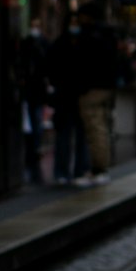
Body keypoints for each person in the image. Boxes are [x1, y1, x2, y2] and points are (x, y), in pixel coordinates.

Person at [74, 1, 118, 185]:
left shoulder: (89, 35)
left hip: (92, 87)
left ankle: (99, 169)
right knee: (101, 126)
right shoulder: (108, 34)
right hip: (106, 86)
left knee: (95, 128)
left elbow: (83, 62)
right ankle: (99, 168)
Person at [45, 13, 89, 185]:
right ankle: (63, 171)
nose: (74, 26)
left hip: (78, 96)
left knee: (80, 136)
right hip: (65, 97)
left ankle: (78, 170)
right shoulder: (60, 44)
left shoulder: (84, 44)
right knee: (64, 136)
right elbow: (51, 69)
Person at [17, 17, 49, 183]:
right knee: (29, 120)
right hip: (29, 90)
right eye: (33, 25)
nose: (35, 28)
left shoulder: (43, 43)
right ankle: (31, 148)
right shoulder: (26, 43)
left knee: (36, 120)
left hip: (36, 90)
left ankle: (35, 147)